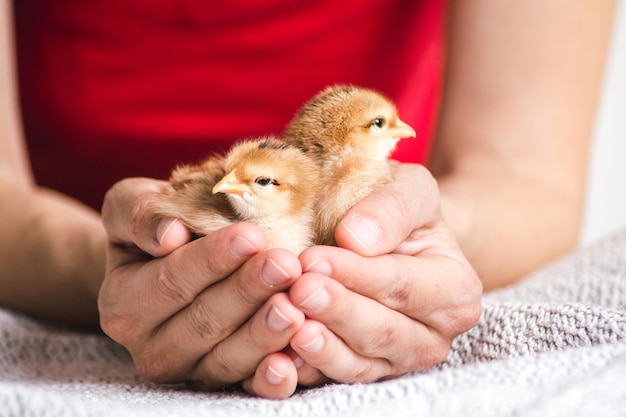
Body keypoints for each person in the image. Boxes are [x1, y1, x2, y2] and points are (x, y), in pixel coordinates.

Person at [0, 0, 615, 400]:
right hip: (63, 245)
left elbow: (524, 176)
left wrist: (406, 252)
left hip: (386, 234)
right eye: (381, 128)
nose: (394, 133)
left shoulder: (342, 195)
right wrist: (115, 272)